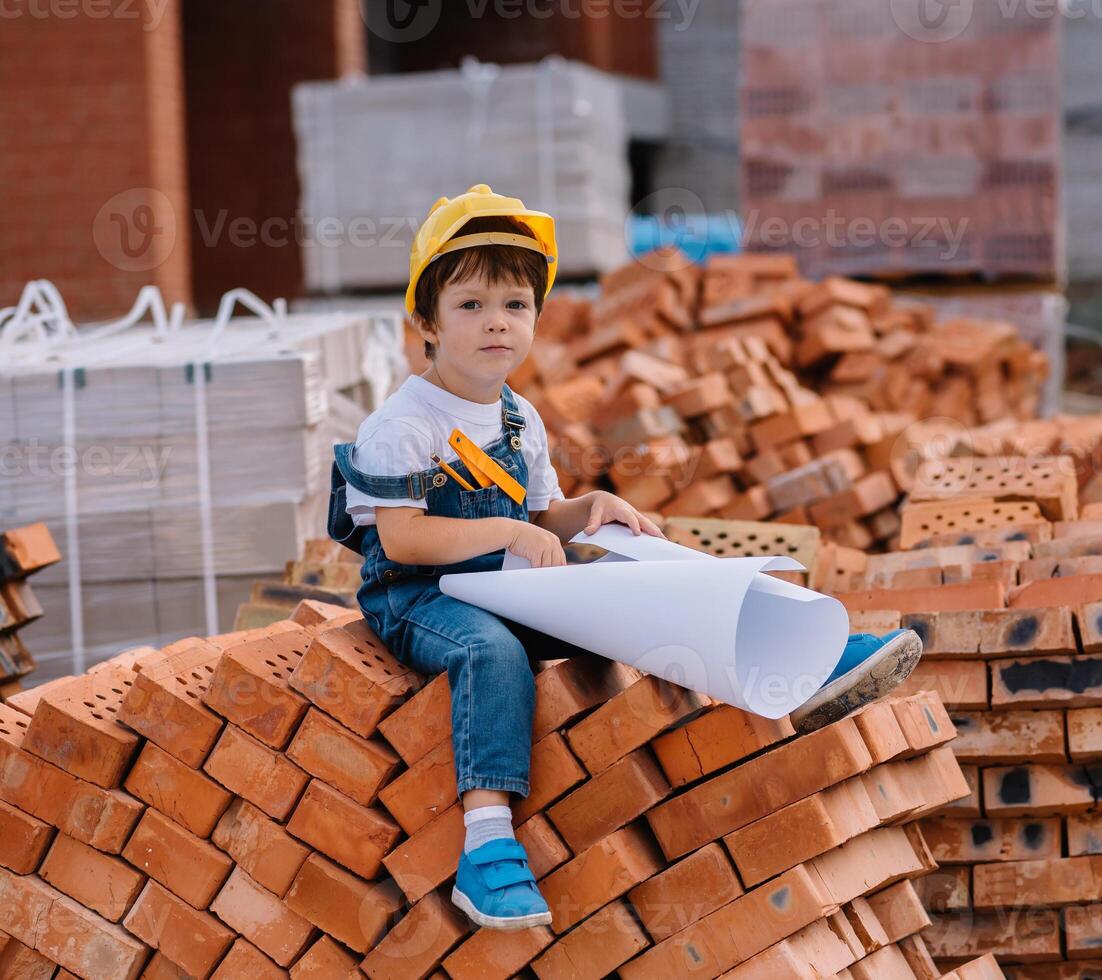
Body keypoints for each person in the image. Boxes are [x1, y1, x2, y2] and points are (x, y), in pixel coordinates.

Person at [325, 185, 923, 930]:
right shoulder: (403, 423)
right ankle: (487, 848)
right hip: (420, 599)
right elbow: (405, 539)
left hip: (508, 583)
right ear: (426, 322)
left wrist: (591, 510)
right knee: (491, 654)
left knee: (637, 580)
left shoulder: (518, 416)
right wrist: (511, 536)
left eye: (515, 305)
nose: (496, 323)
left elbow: (543, 516)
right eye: (471, 305)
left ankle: (800, 660)